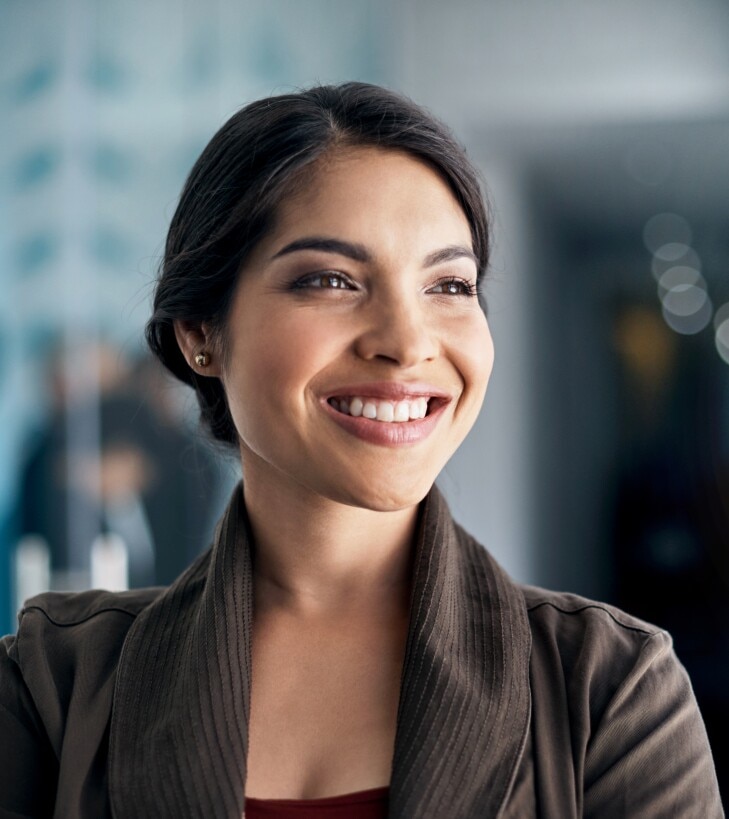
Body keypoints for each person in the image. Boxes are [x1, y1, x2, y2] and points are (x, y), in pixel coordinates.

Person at [0, 83, 722, 819]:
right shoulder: (53, 686)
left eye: (448, 283)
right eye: (331, 280)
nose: (407, 342)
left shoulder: (608, 688)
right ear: (200, 334)